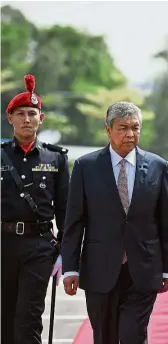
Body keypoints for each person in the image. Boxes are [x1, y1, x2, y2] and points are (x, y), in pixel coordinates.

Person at [61, 101, 168, 344]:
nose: (130, 134)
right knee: (105, 337)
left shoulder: (158, 167)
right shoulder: (86, 167)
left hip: (143, 268)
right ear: (108, 130)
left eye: (135, 128)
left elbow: (165, 222)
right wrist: (70, 267)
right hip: (99, 268)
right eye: (123, 128)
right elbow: (74, 222)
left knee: (134, 335)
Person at [1, 74, 69, 344]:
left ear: (41, 118)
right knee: (4, 319)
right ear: (10, 118)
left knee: (28, 320)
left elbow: (66, 207)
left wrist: (66, 250)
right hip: (3, 244)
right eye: (20, 114)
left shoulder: (56, 158)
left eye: (32, 113)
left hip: (39, 247)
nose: (26, 119)